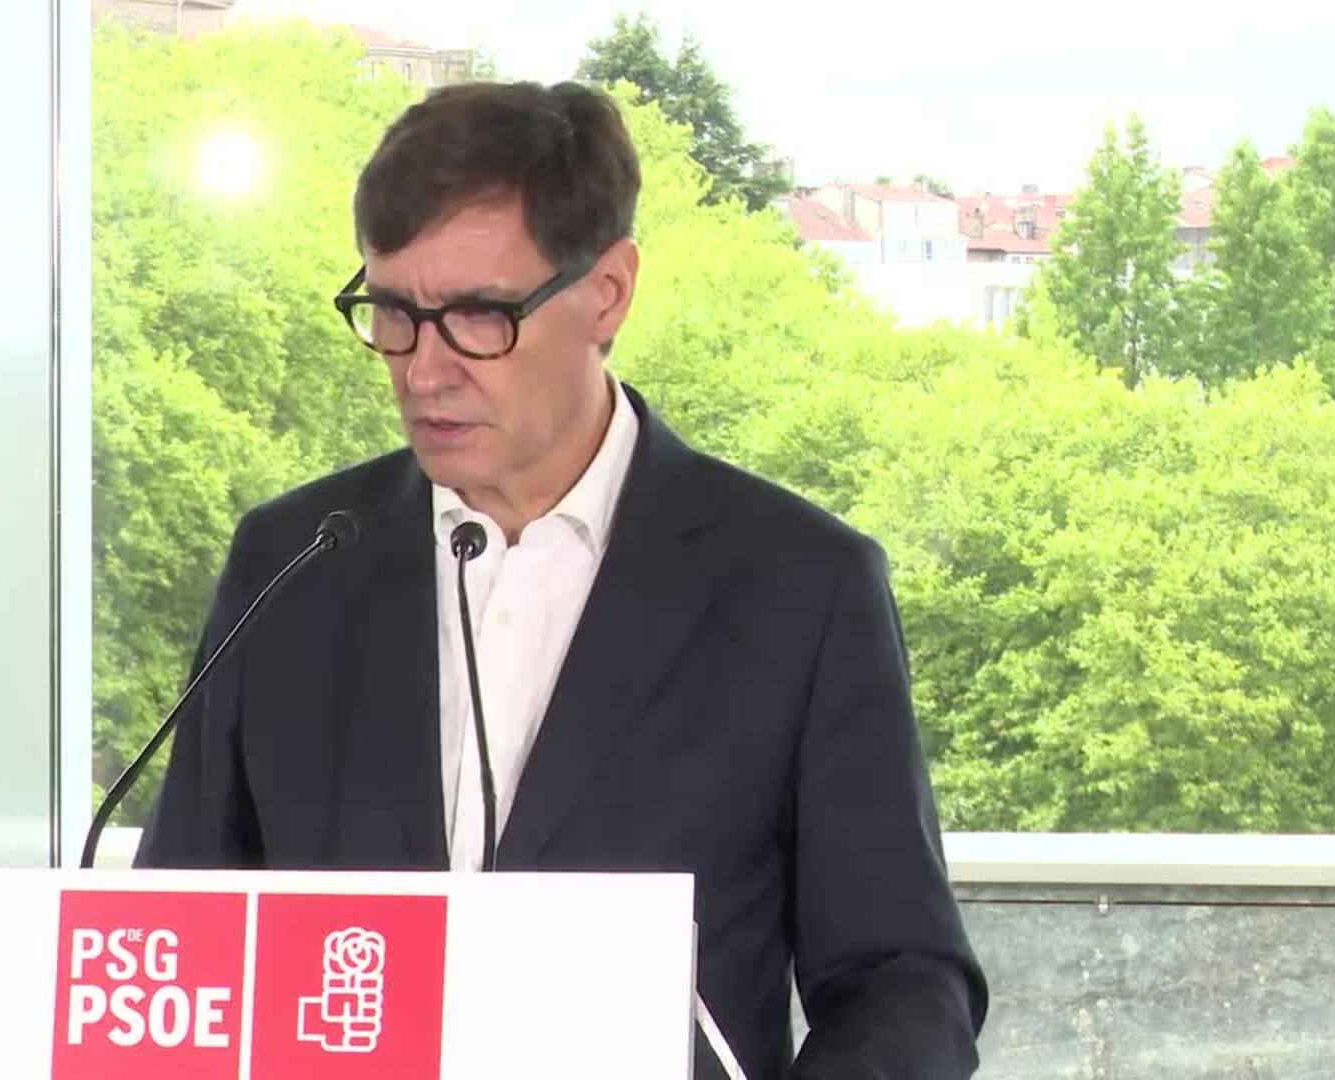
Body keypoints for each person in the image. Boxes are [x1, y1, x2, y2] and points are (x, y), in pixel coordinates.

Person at [135, 79, 987, 1078]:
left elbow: (902, 985)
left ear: (608, 292)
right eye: (394, 312)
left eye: (479, 316)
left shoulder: (802, 587)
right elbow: (175, 942)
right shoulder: (290, 564)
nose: (423, 370)